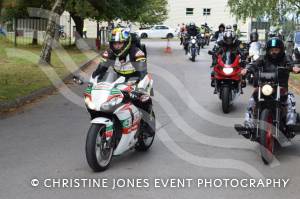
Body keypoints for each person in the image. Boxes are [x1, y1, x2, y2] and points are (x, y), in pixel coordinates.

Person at [240, 37, 300, 128]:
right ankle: (248, 122)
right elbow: (255, 64)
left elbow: (289, 64)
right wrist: (247, 69)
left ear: (281, 50)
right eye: (272, 50)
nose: (274, 52)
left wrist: (293, 68)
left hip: (281, 87)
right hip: (265, 86)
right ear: (268, 50)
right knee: (253, 99)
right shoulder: (263, 58)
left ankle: (291, 123)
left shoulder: (285, 58)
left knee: (290, 98)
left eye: (276, 50)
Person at [91, 28, 152, 116]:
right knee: (110, 98)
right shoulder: (109, 53)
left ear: (126, 43)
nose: (117, 46)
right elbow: (100, 69)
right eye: (115, 43)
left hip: (137, 78)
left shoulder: (136, 52)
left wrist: (140, 87)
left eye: (120, 43)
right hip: (120, 78)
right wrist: (93, 81)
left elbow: (142, 71)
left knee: (143, 99)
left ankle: (148, 121)